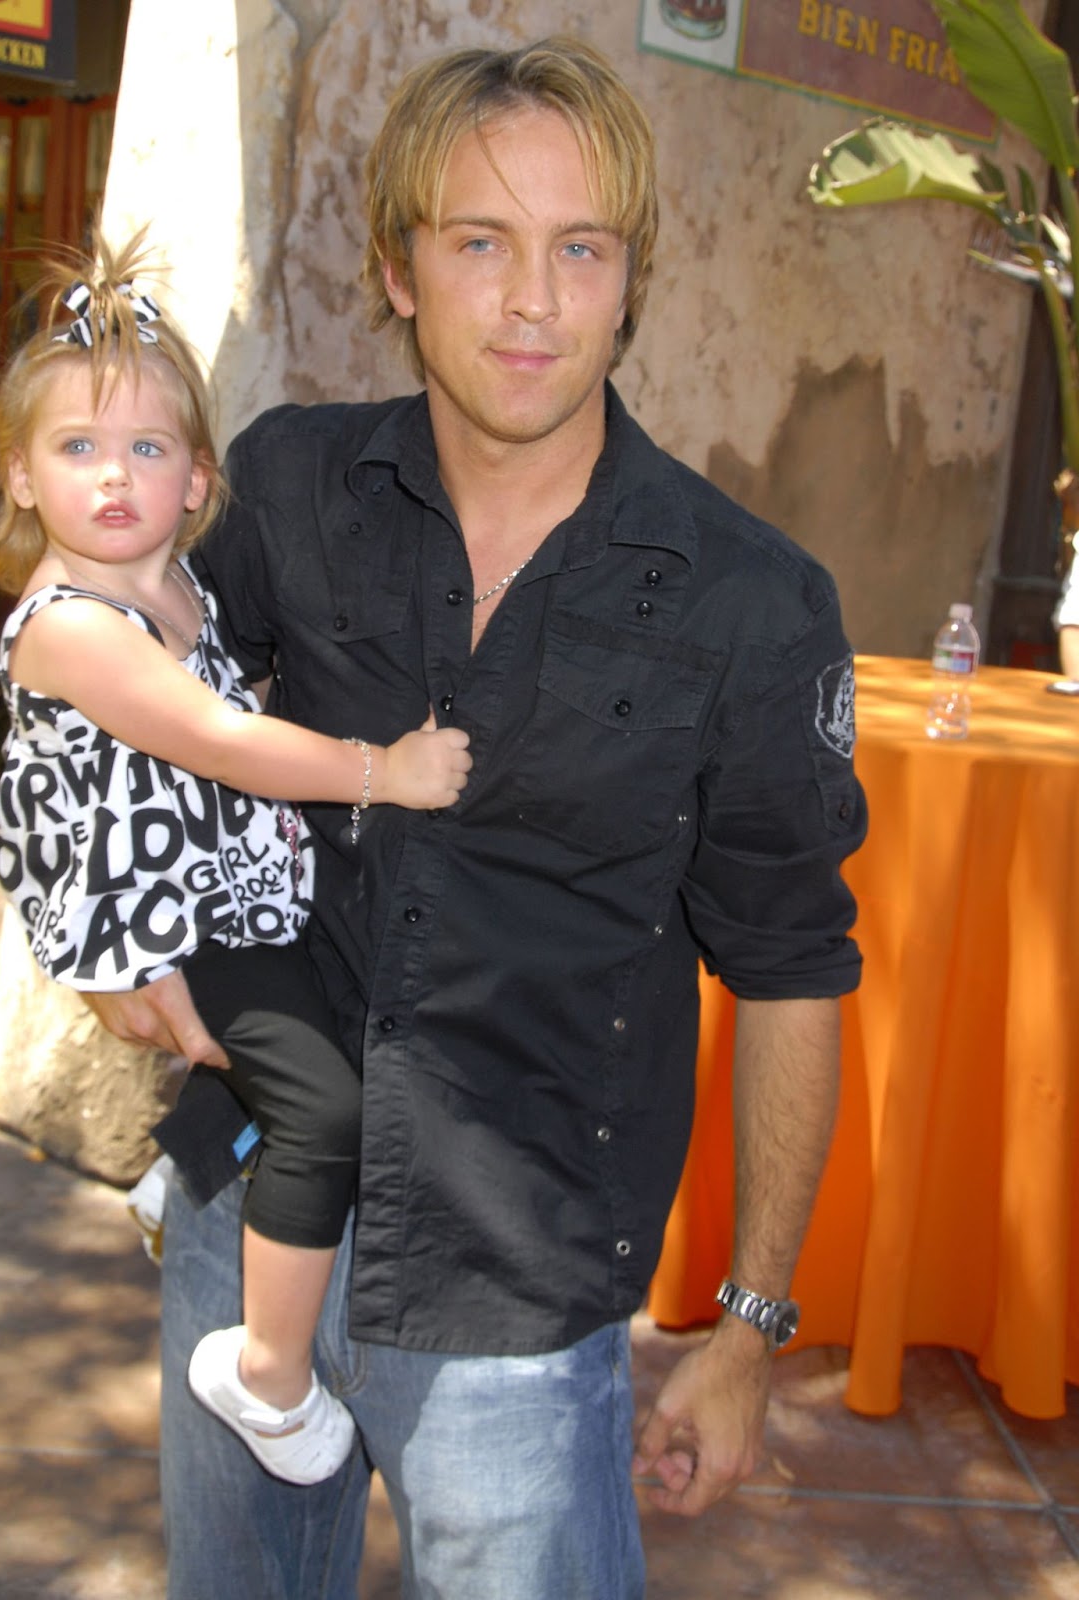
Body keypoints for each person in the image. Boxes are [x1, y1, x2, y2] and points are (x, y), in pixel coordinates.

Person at [88, 36, 868, 1599]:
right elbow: (107, 689)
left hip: (524, 1305)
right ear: (398, 265)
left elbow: (793, 966)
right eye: (480, 243)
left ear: (631, 276)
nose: (532, 302)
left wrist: (750, 1329)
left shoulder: (752, 603)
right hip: (252, 1224)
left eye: (580, 248)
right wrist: (107, 936)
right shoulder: (288, 489)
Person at [0, 232, 471, 1488]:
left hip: (236, 891)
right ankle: (264, 1369)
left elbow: (228, 683)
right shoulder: (74, 626)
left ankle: (188, 1166)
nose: (115, 477)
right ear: (21, 479)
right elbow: (222, 737)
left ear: (198, 478)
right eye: (76, 449)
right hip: (176, 919)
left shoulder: (180, 587)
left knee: (333, 1024)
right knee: (330, 1113)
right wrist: (381, 770)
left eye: (147, 448)